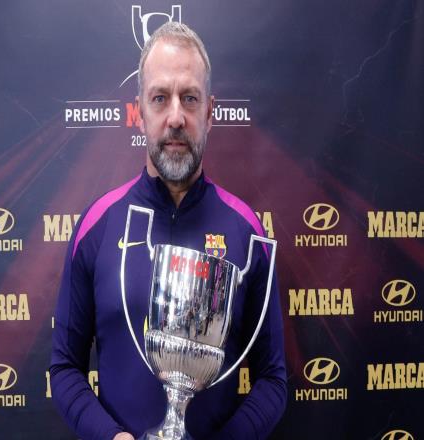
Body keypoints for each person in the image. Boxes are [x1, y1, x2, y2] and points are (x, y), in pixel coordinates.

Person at [50, 22, 286, 440]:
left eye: (189, 98)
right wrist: (112, 438)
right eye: (160, 98)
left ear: (209, 112)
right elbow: (65, 368)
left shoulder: (247, 232)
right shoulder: (96, 226)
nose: (176, 117)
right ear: (140, 112)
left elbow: (272, 380)